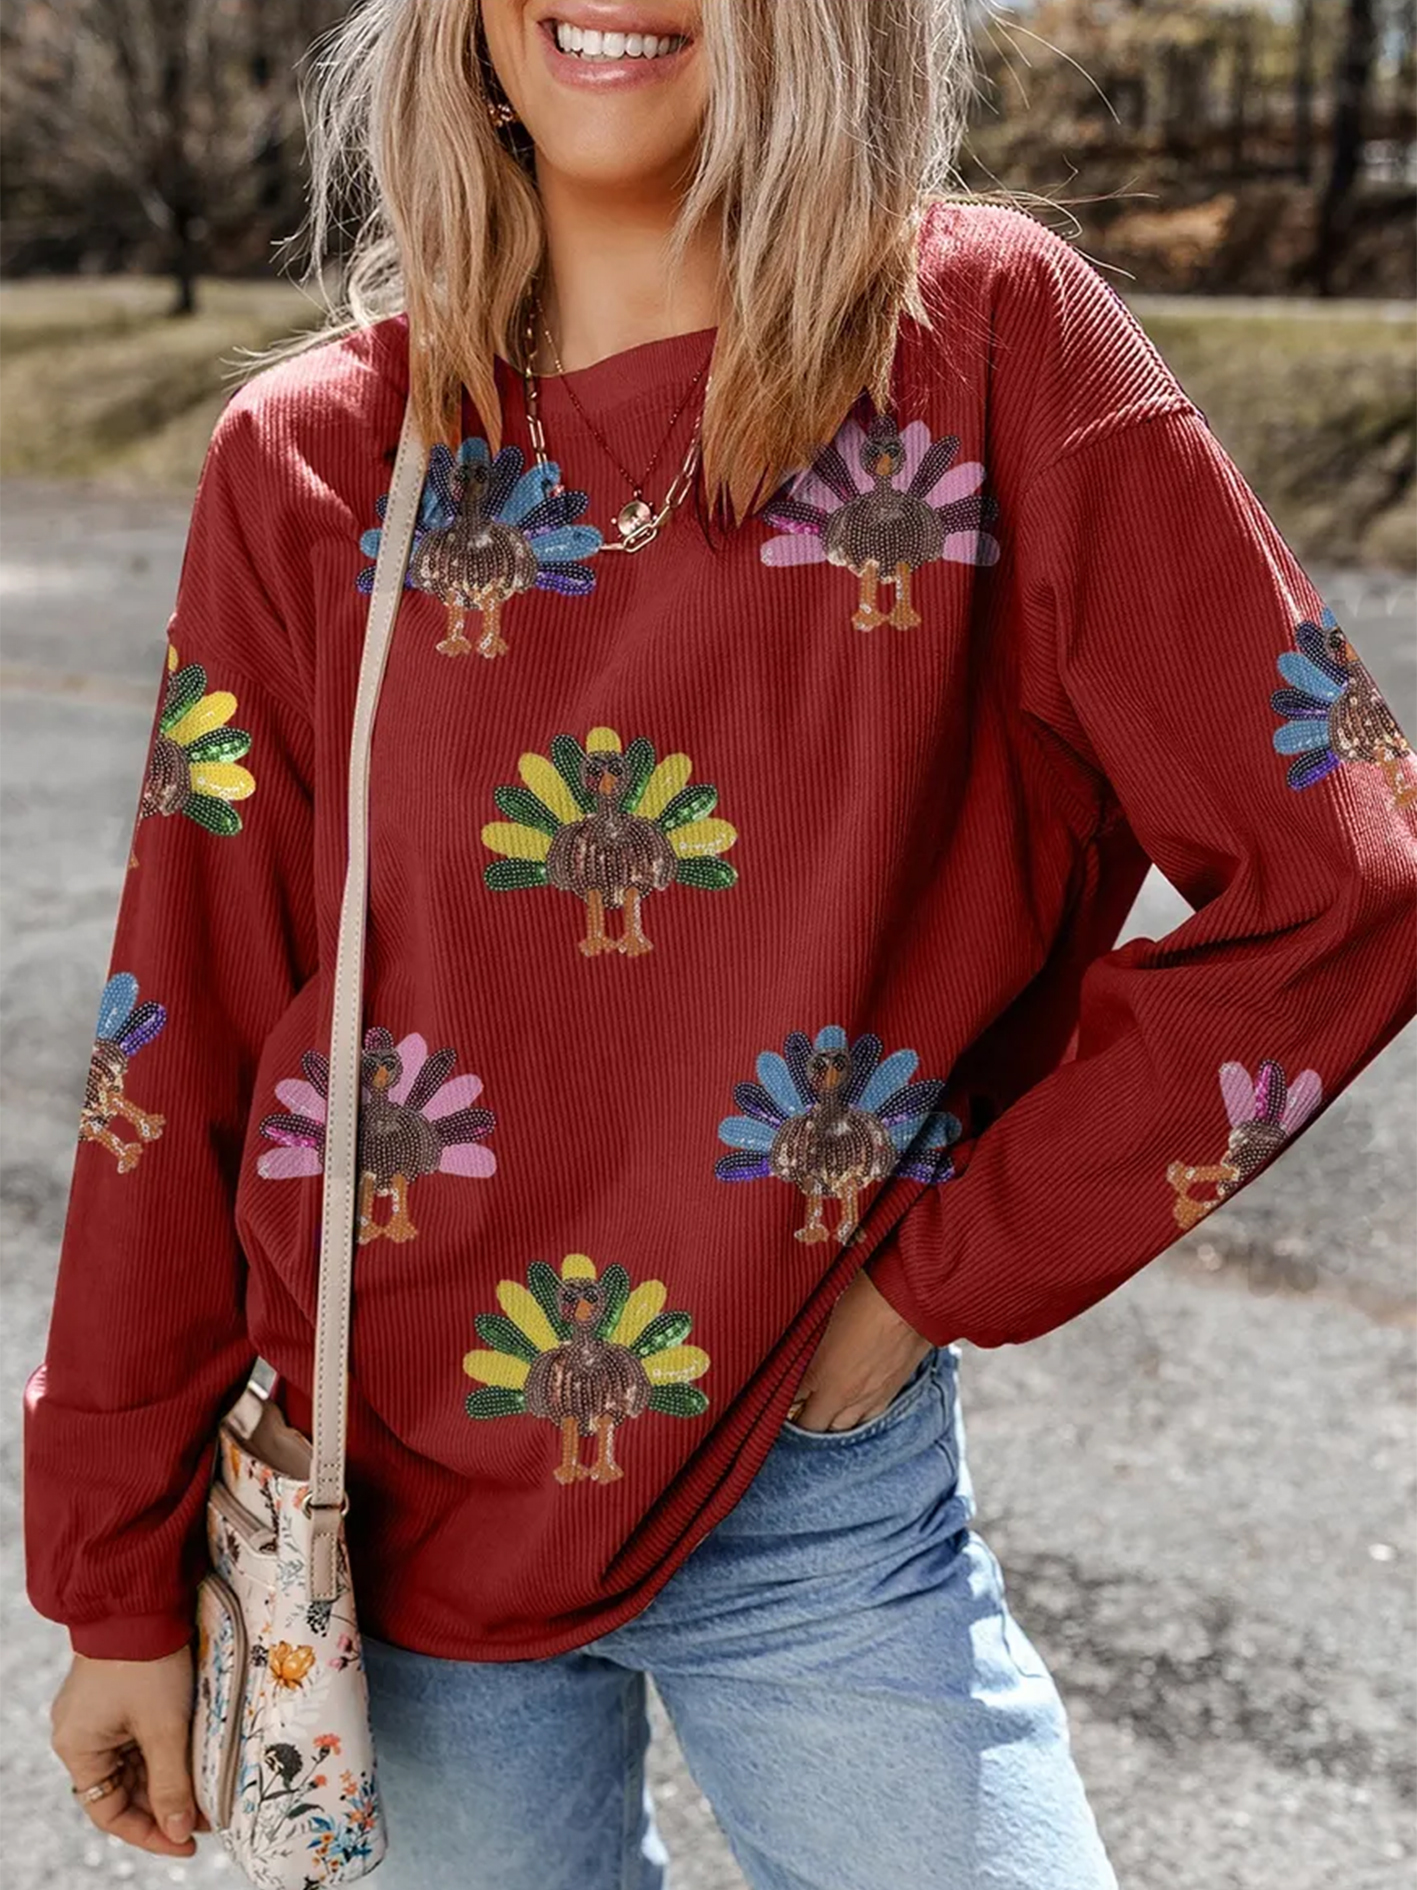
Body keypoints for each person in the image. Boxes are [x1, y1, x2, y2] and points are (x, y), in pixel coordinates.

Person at [24, 1, 1417, 1885]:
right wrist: (113, 1575)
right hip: (380, 1510)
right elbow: (174, 1038)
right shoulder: (313, 460)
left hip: (812, 1499)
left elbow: (1344, 877)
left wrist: (943, 1267)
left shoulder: (986, 348)